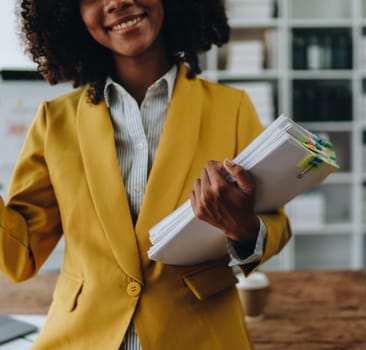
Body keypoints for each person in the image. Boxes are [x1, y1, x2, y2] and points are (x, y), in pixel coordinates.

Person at [0, 0, 291, 349]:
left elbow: (276, 222)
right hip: (83, 336)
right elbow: (19, 258)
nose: (117, 2)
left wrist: (244, 228)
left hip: (200, 335)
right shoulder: (54, 121)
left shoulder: (232, 108)